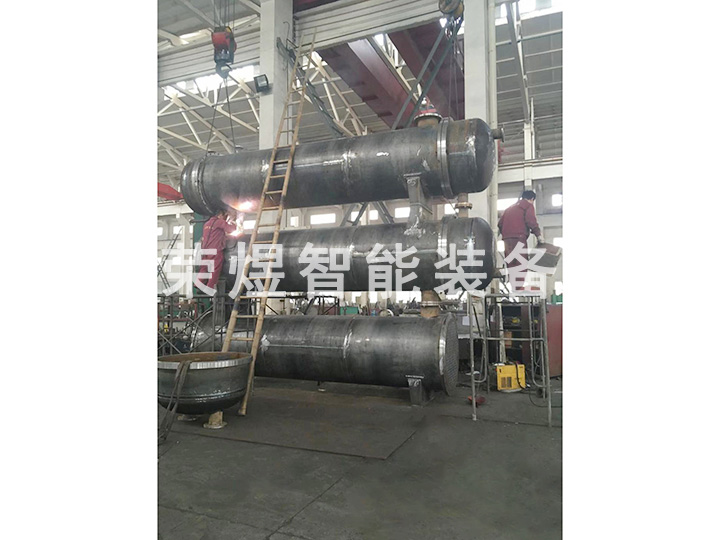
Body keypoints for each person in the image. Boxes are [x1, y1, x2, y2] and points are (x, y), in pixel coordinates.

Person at [498, 190, 543, 291]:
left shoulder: (509, 208)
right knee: (521, 262)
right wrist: (538, 234)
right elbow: (531, 220)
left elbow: (500, 224)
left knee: (511, 262)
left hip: (506, 239)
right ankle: (518, 287)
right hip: (519, 238)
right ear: (532, 199)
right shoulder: (527, 206)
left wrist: (507, 233)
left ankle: (515, 286)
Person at [198, 209, 237, 293]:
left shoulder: (206, 223)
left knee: (204, 267)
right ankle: (210, 287)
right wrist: (233, 222)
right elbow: (231, 229)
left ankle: (199, 284)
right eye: (224, 216)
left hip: (205, 249)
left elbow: (214, 235)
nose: (225, 218)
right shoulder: (219, 222)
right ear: (220, 215)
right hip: (215, 249)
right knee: (215, 268)